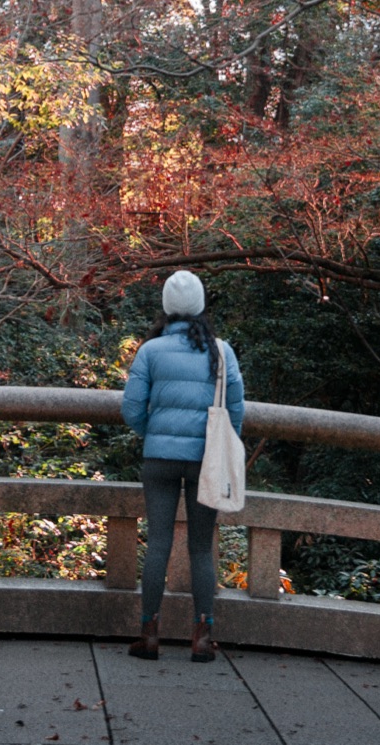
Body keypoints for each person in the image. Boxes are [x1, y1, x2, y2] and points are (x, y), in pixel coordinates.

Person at [119, 269, 245, 662]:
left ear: (166, 308)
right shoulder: (221, 352)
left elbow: (131, 410)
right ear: (202, 306)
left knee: (157, 543)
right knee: (200, 549)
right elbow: (236, 412)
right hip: (205, 460)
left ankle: (149, 633)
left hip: (159, 459)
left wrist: (153, 432)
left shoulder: (150, 351)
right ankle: (202, 636)